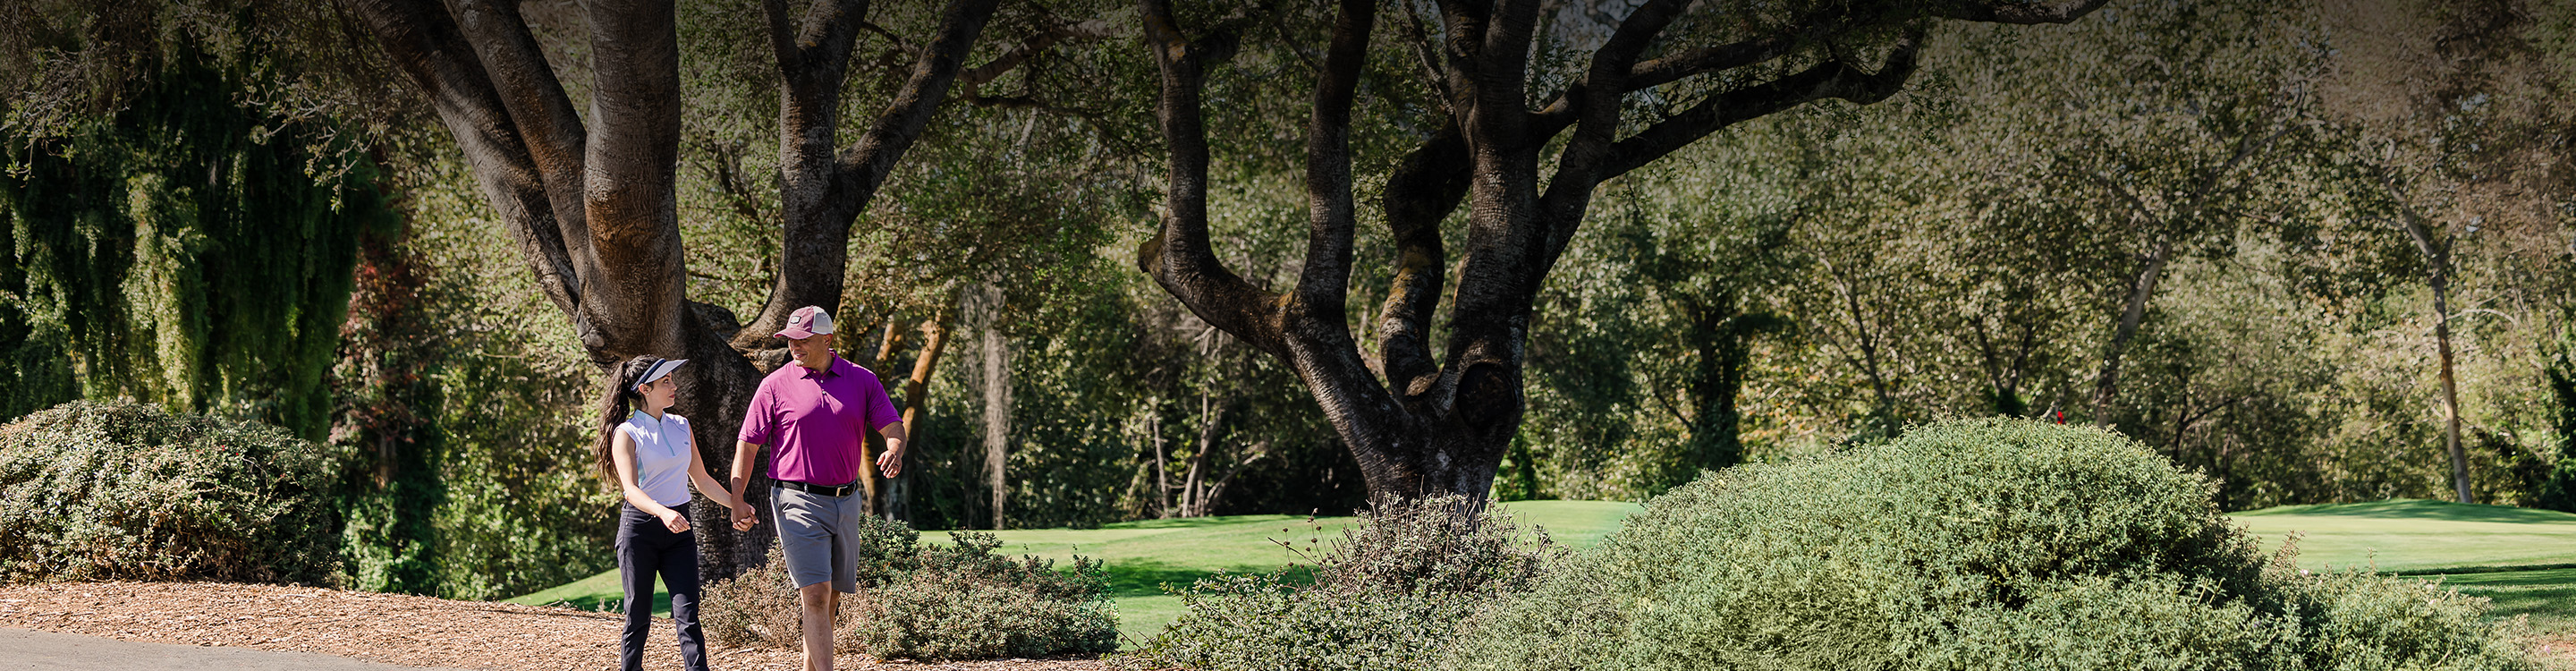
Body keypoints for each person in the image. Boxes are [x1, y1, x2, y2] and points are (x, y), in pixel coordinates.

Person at [728, 306, 909, 671]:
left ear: (827, 340)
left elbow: (892, 425)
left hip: (846, 500)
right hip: (796, 498)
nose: (794, 346)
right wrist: (736, 499)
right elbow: (747, 446)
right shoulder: (775, 385)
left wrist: (894, 449)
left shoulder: (862, 380)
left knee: (830, 599)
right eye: (790, 339)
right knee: (814, 594)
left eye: (803, 339)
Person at [594, 354, 746, 671]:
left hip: (680, 530)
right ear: (645, 389)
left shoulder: (681, 426)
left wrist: (738, 504)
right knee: (638, 615)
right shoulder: (627, 433)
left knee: (688, 615)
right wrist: (662, 513)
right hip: (640, 531)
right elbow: (630, 490)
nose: (674, 386)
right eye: (666, 382)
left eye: (672, 380)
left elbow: (701, 480)